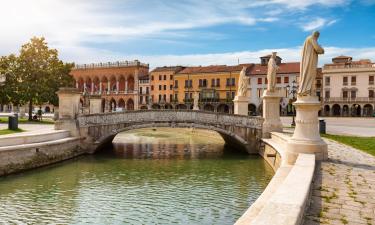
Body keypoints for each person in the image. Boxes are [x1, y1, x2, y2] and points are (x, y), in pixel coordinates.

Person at [298, 31, 324, 96]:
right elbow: (318, 49)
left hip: (309, 59)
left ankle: (306, 90)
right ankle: (305, 90)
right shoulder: (311, 38)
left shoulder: (308, 39)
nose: (317, 38)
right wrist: (322, 49)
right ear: (316, 35)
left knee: (309, 74)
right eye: (317, 37)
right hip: (309, 60)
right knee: (309, 74)